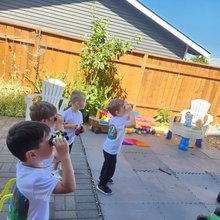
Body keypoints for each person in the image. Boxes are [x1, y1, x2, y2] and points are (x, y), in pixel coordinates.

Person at [6, 121, 76, 220]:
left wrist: (59, 131)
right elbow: (69, 187)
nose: (52, 142)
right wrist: (66, 157)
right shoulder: (35, 180)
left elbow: (55, 157)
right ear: (32, 154)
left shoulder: (27, 162)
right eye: (49, 141)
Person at [97, 99, 136, 195]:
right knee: (110, 168)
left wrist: (128, 109)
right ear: (117, 112)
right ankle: (102, 184)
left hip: (108, 148)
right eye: (124, 107)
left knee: (106, 164)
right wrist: (130, 111)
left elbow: (128, 117)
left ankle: (102, 177)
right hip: (111, 150)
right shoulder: (120, 122)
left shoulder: (115, 118)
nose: (126, 108)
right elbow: (133, 124)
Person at [29, 101, 64, 180]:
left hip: (30, 171)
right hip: (41, 174)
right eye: (54, 118)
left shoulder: (32, 129)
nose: (56, 119)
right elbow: (58, 156)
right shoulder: (44, 137)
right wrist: (60, 127)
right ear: (44, 121)